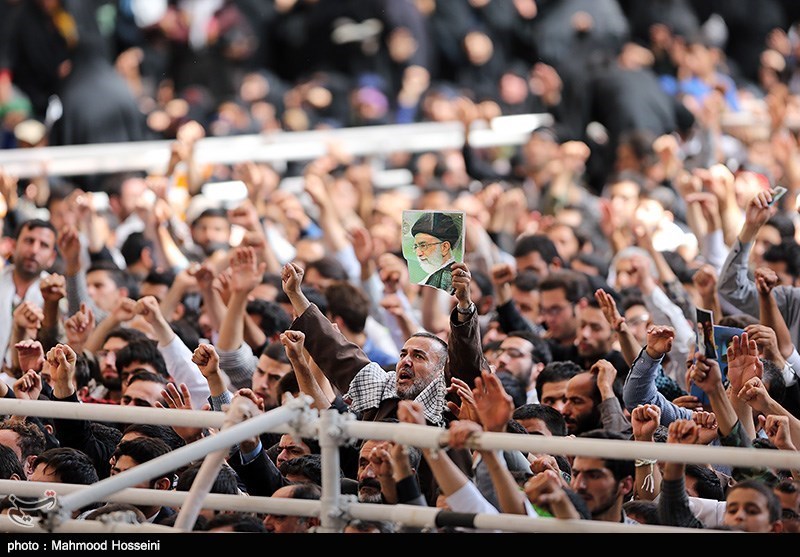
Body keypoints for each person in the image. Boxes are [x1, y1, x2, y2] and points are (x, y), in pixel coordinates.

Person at [0, 219, 57, 367]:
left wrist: (52, 304)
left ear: (52, 257)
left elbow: (52, 345)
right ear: (13, 246)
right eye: (29, 241)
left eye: (44, 245)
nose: (34, 250)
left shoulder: (56, 292)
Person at [409, 212, 461, 292]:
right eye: (416, 247)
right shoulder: (435, 276)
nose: (418, 253)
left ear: (444, 247)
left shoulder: (449, 277)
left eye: (423, 246)